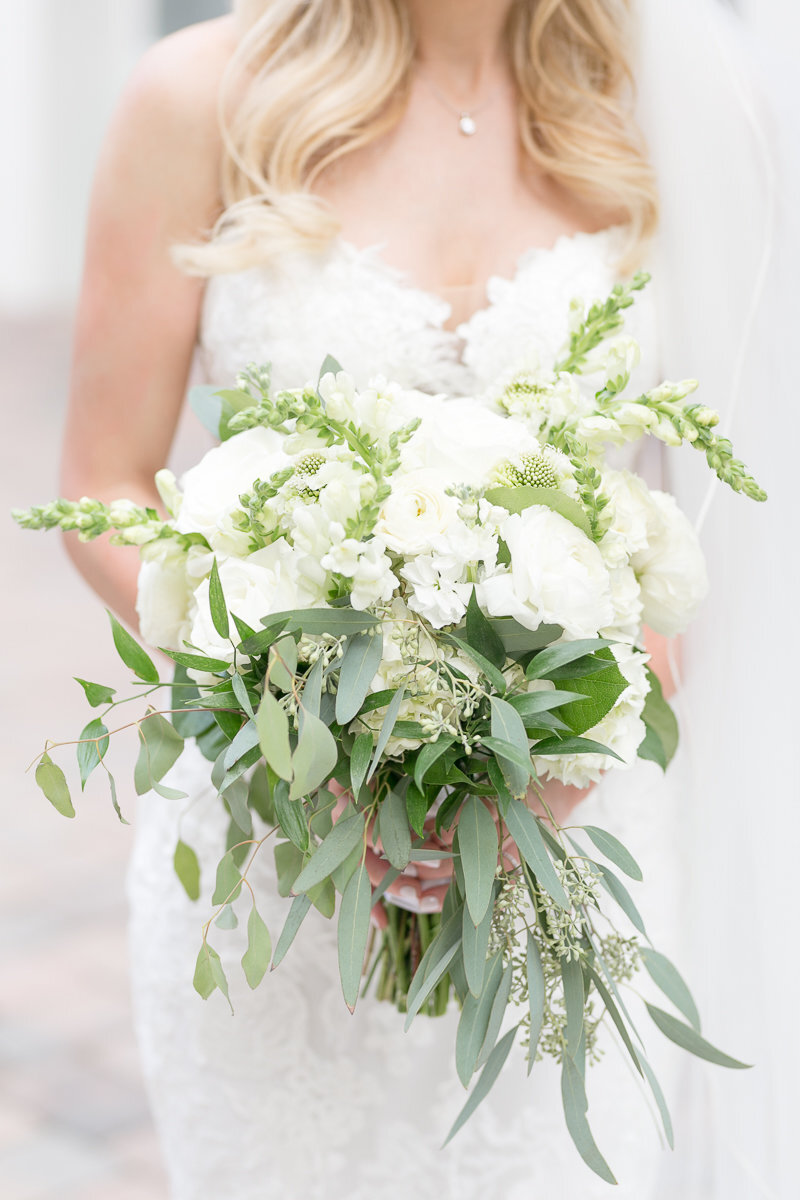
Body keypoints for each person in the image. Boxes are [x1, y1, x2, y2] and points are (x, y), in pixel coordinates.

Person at [59, 1, 791, 1197]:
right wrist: (291, 712)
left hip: (578, 842)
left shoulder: (674, 102)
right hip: (281, 852)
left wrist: (579, 729)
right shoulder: (196, 97)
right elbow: (101, 484)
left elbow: (726, 509)